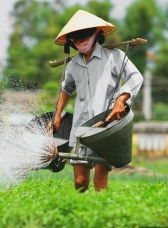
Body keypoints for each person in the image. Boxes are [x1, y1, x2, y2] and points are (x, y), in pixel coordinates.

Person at [53, 10, 143, 192]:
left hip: (105, 129)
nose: (80, 43)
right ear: (71, 42)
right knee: (80, 183)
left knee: (100, 182)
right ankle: (82, 216)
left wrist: (121, 99)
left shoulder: (114, 57)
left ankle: (101, 215)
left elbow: (135, 77)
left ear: (96, 34)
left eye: (83, 37)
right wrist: (57, 115)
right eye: (75, 40)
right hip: (81, 130)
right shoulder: (73, 65)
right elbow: (66, 88)